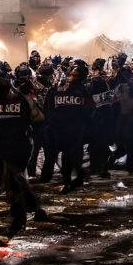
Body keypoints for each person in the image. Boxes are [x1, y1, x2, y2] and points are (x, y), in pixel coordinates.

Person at [0, 68, 46, 235]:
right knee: (17, 179)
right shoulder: (21, 100)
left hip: (8, 147)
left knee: (13, 182)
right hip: (22, 145)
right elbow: (37, 119)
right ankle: (36, 209)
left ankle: (19, 220)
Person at [48, 61, 94, 192]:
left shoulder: (59, 89)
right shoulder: (83, 90)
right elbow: (89, 109)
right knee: (73, 154)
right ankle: (72, 180)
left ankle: (72, 180)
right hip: (75, 128)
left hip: (63, 128)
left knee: (67, 154)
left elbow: (51, 109)